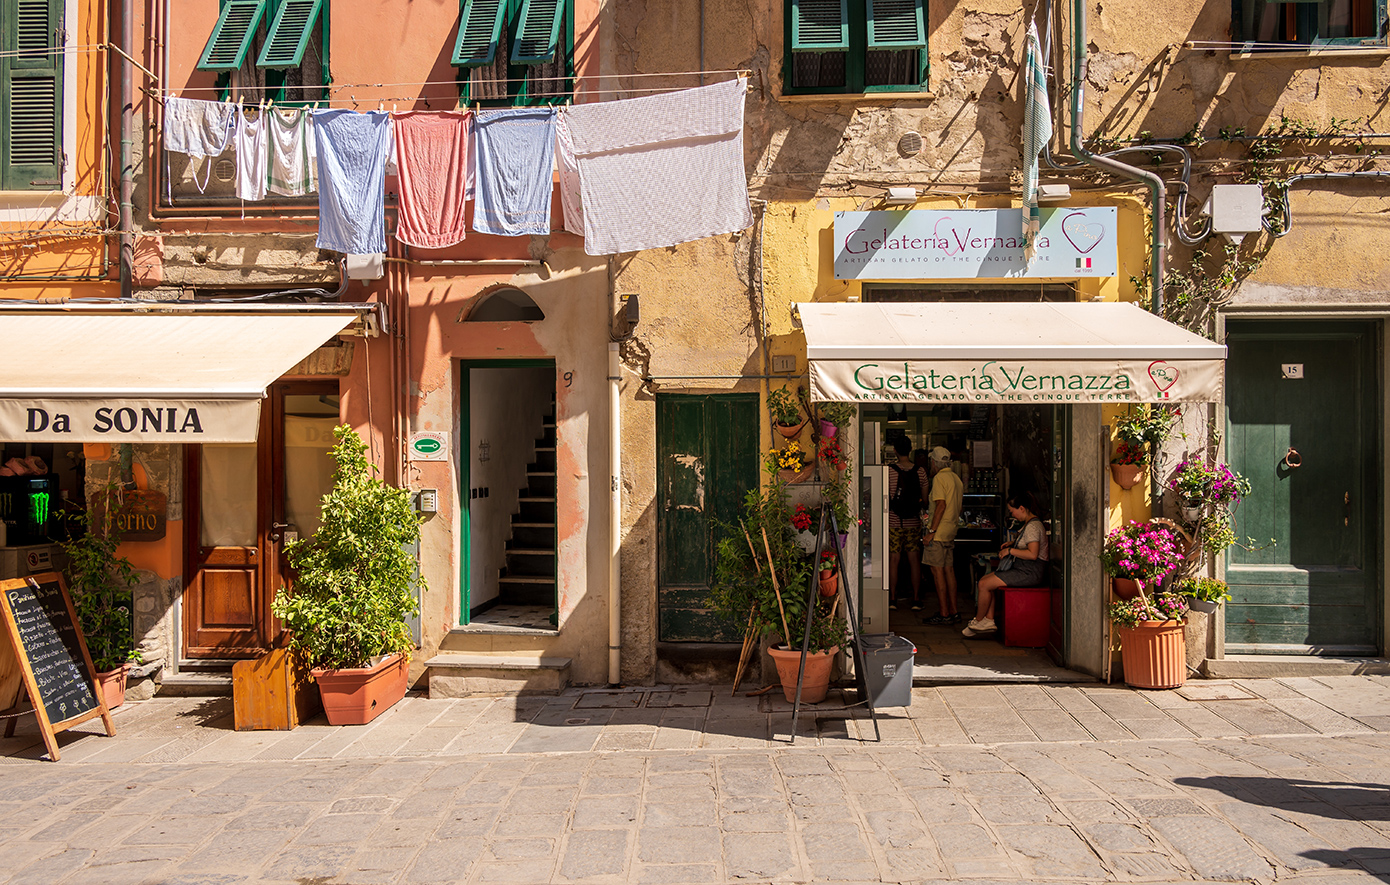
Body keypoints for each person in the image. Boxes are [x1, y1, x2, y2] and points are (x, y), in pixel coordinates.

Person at [962, 490, 1049, 637]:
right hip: (1024, 569)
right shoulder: (1030, 524)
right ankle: (988, 620)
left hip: (1029, 572)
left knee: (984, 584)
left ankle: (979, 620)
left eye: (1012, 511)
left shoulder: (1033, 527)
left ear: (1022, 508)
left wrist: (1010, 551)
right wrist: (1013, 543)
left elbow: (1032, 554)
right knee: (986, 581)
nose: (1012, 514)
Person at [886, 435, 930, 610]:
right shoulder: (921, 472)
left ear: (894, 450)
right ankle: (916, 599)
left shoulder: (888, 471)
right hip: (913, 522)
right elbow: (925, 501)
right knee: (914, 560)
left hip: (893, 522)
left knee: (893, 559)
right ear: (910, 450)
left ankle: (892, 599)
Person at [922, 446, 964, 625]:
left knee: (937, 571)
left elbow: (941, 505)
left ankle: (944, 613)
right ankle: (954, 611)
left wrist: (931, 532)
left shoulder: (939, 478)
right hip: (951, 530)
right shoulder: (956, 478)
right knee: (949, 571)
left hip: (938, 533)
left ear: (934, 462)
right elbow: (958, 507)